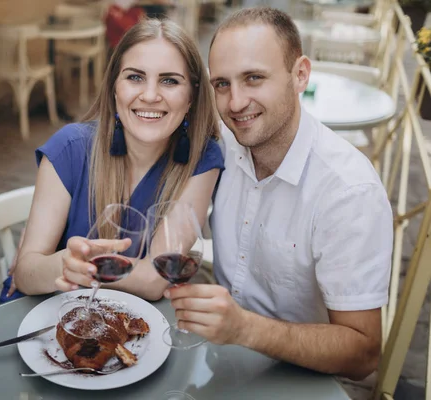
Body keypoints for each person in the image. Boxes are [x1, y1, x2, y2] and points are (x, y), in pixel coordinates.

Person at [165, 7, 393, 381]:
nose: (235, 103)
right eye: (222, 84)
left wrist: (245, 329)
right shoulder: (221, 144)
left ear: (300, 74)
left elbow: (364, 352)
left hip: (307, 377)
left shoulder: (349, 192)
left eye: (254, 78)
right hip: (221, 361)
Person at [1, 18, 225, 303]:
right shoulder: (70, 148)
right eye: (135, 77)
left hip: (127, 324)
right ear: (113, 88)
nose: (150, 95)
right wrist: (64, 265)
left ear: (192, 96)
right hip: (44, 314)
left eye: (169, 80)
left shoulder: (202, 159)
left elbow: (157, 280)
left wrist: (93, 267)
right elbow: (26, 273)